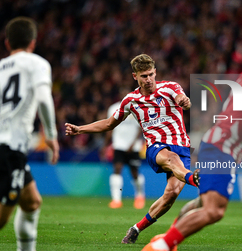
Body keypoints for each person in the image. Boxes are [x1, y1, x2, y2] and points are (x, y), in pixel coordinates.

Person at [142, 37, 242, 251]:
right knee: (214, 211)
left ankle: (165, 239)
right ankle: (162, 245)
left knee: (202, 204)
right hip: (223, 148)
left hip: (216, 142)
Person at [65, 54, 199, 244]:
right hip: (156, 148)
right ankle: (194, 178)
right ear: (134, 76)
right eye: (144, 76)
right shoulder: (130, 101)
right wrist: (80, 129)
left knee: (171, 195)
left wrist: (185, 101)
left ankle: (136, 229)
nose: (149, 79)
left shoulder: (170, 87)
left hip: (182, 146)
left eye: (151, 74)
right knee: (169, 157)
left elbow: (182, 97)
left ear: (155, 72)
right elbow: (109, 123)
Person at [0, 17, 59, 251]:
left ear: (7, 43)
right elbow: (44, 98)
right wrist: (51, 136)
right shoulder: (38, 64)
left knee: (32, 201)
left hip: (8, 146)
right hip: (10, 147)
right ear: (33, 43)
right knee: (3, 217)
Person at [106, 87, 145, 209]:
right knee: (117, 169)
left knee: (134, 173)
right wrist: (106, 144)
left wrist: (133, 144)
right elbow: (110, 126)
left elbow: (140, 128)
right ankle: (116, 200)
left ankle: (139, 196)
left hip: (133, 147)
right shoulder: (113, 108)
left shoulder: (136, 108)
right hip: (119, 145)